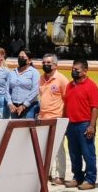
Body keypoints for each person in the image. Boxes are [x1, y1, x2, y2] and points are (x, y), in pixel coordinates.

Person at [64, 59, 98, 190]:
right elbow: (66, 105)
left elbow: (95, 108)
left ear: (85, 71)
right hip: (71, 125)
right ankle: (77, 177)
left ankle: (90, 179)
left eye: (77, 70)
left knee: (88, 153)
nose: (74, 71)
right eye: (72, 69)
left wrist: (91, 126)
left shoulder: (92, 86)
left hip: (84, 125)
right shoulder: (69, 85)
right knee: (74, 153)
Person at [38, 53, 69, 186]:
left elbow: (67, 99)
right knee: (44, 148)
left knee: (57, 148)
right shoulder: (41, 78)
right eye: (44, 62)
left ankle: (60, 176)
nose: (45, 65)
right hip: (43, 118)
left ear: (55, 65)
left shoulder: (61, 79)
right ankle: (47, 173)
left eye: (48, 63)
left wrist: (65, 119)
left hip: (57, 118)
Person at [6, 50, 40, 119]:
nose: (20, 59)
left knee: (26, 129)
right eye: (19, 57)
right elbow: (7, 89)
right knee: (15, 129)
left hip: (29, 107)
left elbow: (35, 90)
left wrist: (24, 105)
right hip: (14, 107)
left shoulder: (34, 72)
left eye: (23, 57)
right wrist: (9, 103)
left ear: (29, 60)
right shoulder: (12, 72)